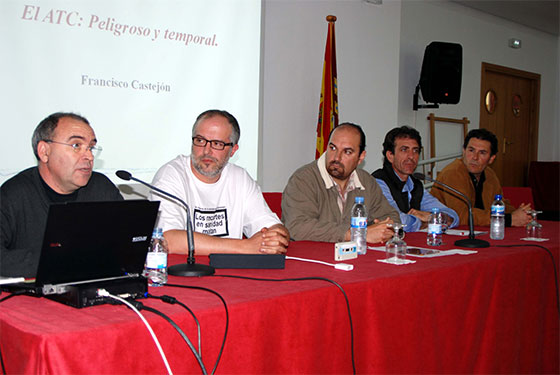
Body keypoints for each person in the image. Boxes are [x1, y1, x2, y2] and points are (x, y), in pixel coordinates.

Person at [150, 109, 289, 255]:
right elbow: (168, 240)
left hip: (230, 272)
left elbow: (275, 229)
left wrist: (275, 238)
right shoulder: (171, 174)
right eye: (200, 140)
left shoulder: (240, 177)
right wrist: (245, 246)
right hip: (185, 273)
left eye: (217, 143)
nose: (206, 151)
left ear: (233, 150)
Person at [0, 112, 123, 277]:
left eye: (91, 148)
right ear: (44, 152)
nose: (89, 156)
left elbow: (125, 244)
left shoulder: (102, 188)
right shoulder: (12, 195)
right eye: (76, 146)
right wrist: (60, 259)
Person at [282, 123, 400, 243]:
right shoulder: (303, 179)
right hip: (313, 257)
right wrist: (356, 234)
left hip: (353, 256)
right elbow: (297, 227)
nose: (336, 158)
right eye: (333, 148)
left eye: (347, 152)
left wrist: (384, 229)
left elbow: (391, 217)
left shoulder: (366, 181)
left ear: (361, 157)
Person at [431, 128, 531, 227]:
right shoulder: (453, 173)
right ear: (464, 151)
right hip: (444, 232)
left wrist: (520, 214)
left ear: (491, 158)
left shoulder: (489, 174)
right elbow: (461, 215)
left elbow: (499, 204)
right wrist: (508, 219)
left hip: (480, 230)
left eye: (482, 153)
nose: (475, 157)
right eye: (471, 150)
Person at [372, 126, 459, 232]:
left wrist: (433, 217)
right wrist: (425, 222)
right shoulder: (378, 182)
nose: (411, 156)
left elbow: (453, 216)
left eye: (415, 151)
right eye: (404, 150)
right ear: (390, 155)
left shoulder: (415, 184)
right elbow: (395, 220)